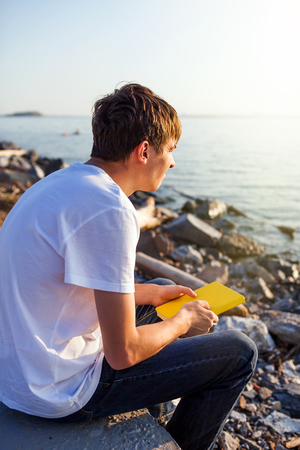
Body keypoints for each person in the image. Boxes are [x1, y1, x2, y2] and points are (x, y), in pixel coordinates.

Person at [0, 83, 257, 450]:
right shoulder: (110, 209)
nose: (172, 162)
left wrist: (154, 293)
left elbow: (67, 284)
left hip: (17, 375)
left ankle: (157, 418)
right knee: (239, 353)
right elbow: (123, 353)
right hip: (56, 391)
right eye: (170, 150)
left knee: (159, 285)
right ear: (144, 150)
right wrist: (182, 321)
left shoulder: (59, 185)